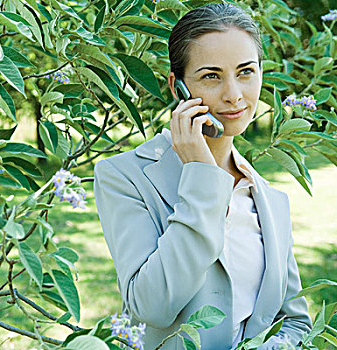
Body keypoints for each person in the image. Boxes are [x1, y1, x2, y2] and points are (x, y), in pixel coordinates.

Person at [93, 3, 312, 350]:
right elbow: (152, 306)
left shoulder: (270, 197)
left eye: (245, 72)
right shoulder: (123, 177)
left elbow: (295, 321)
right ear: (177, 87)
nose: (233, 94)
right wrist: (200, 176)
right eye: (211, 76)